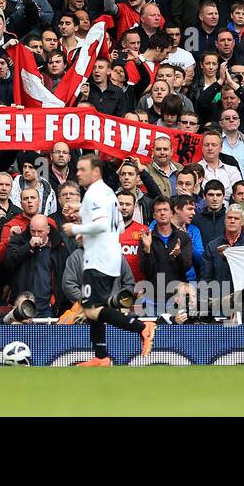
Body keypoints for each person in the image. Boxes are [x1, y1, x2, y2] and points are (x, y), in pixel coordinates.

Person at [63, 154, 156, 366]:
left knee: (93, 309)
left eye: (82, 169)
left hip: (100, 258)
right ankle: (100, 356)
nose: (78, 173)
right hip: (104, 256)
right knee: (93, 308)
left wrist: (75, 228)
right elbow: (116, 226)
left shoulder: (97, 194)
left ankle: (143, 328)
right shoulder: (104, 194)